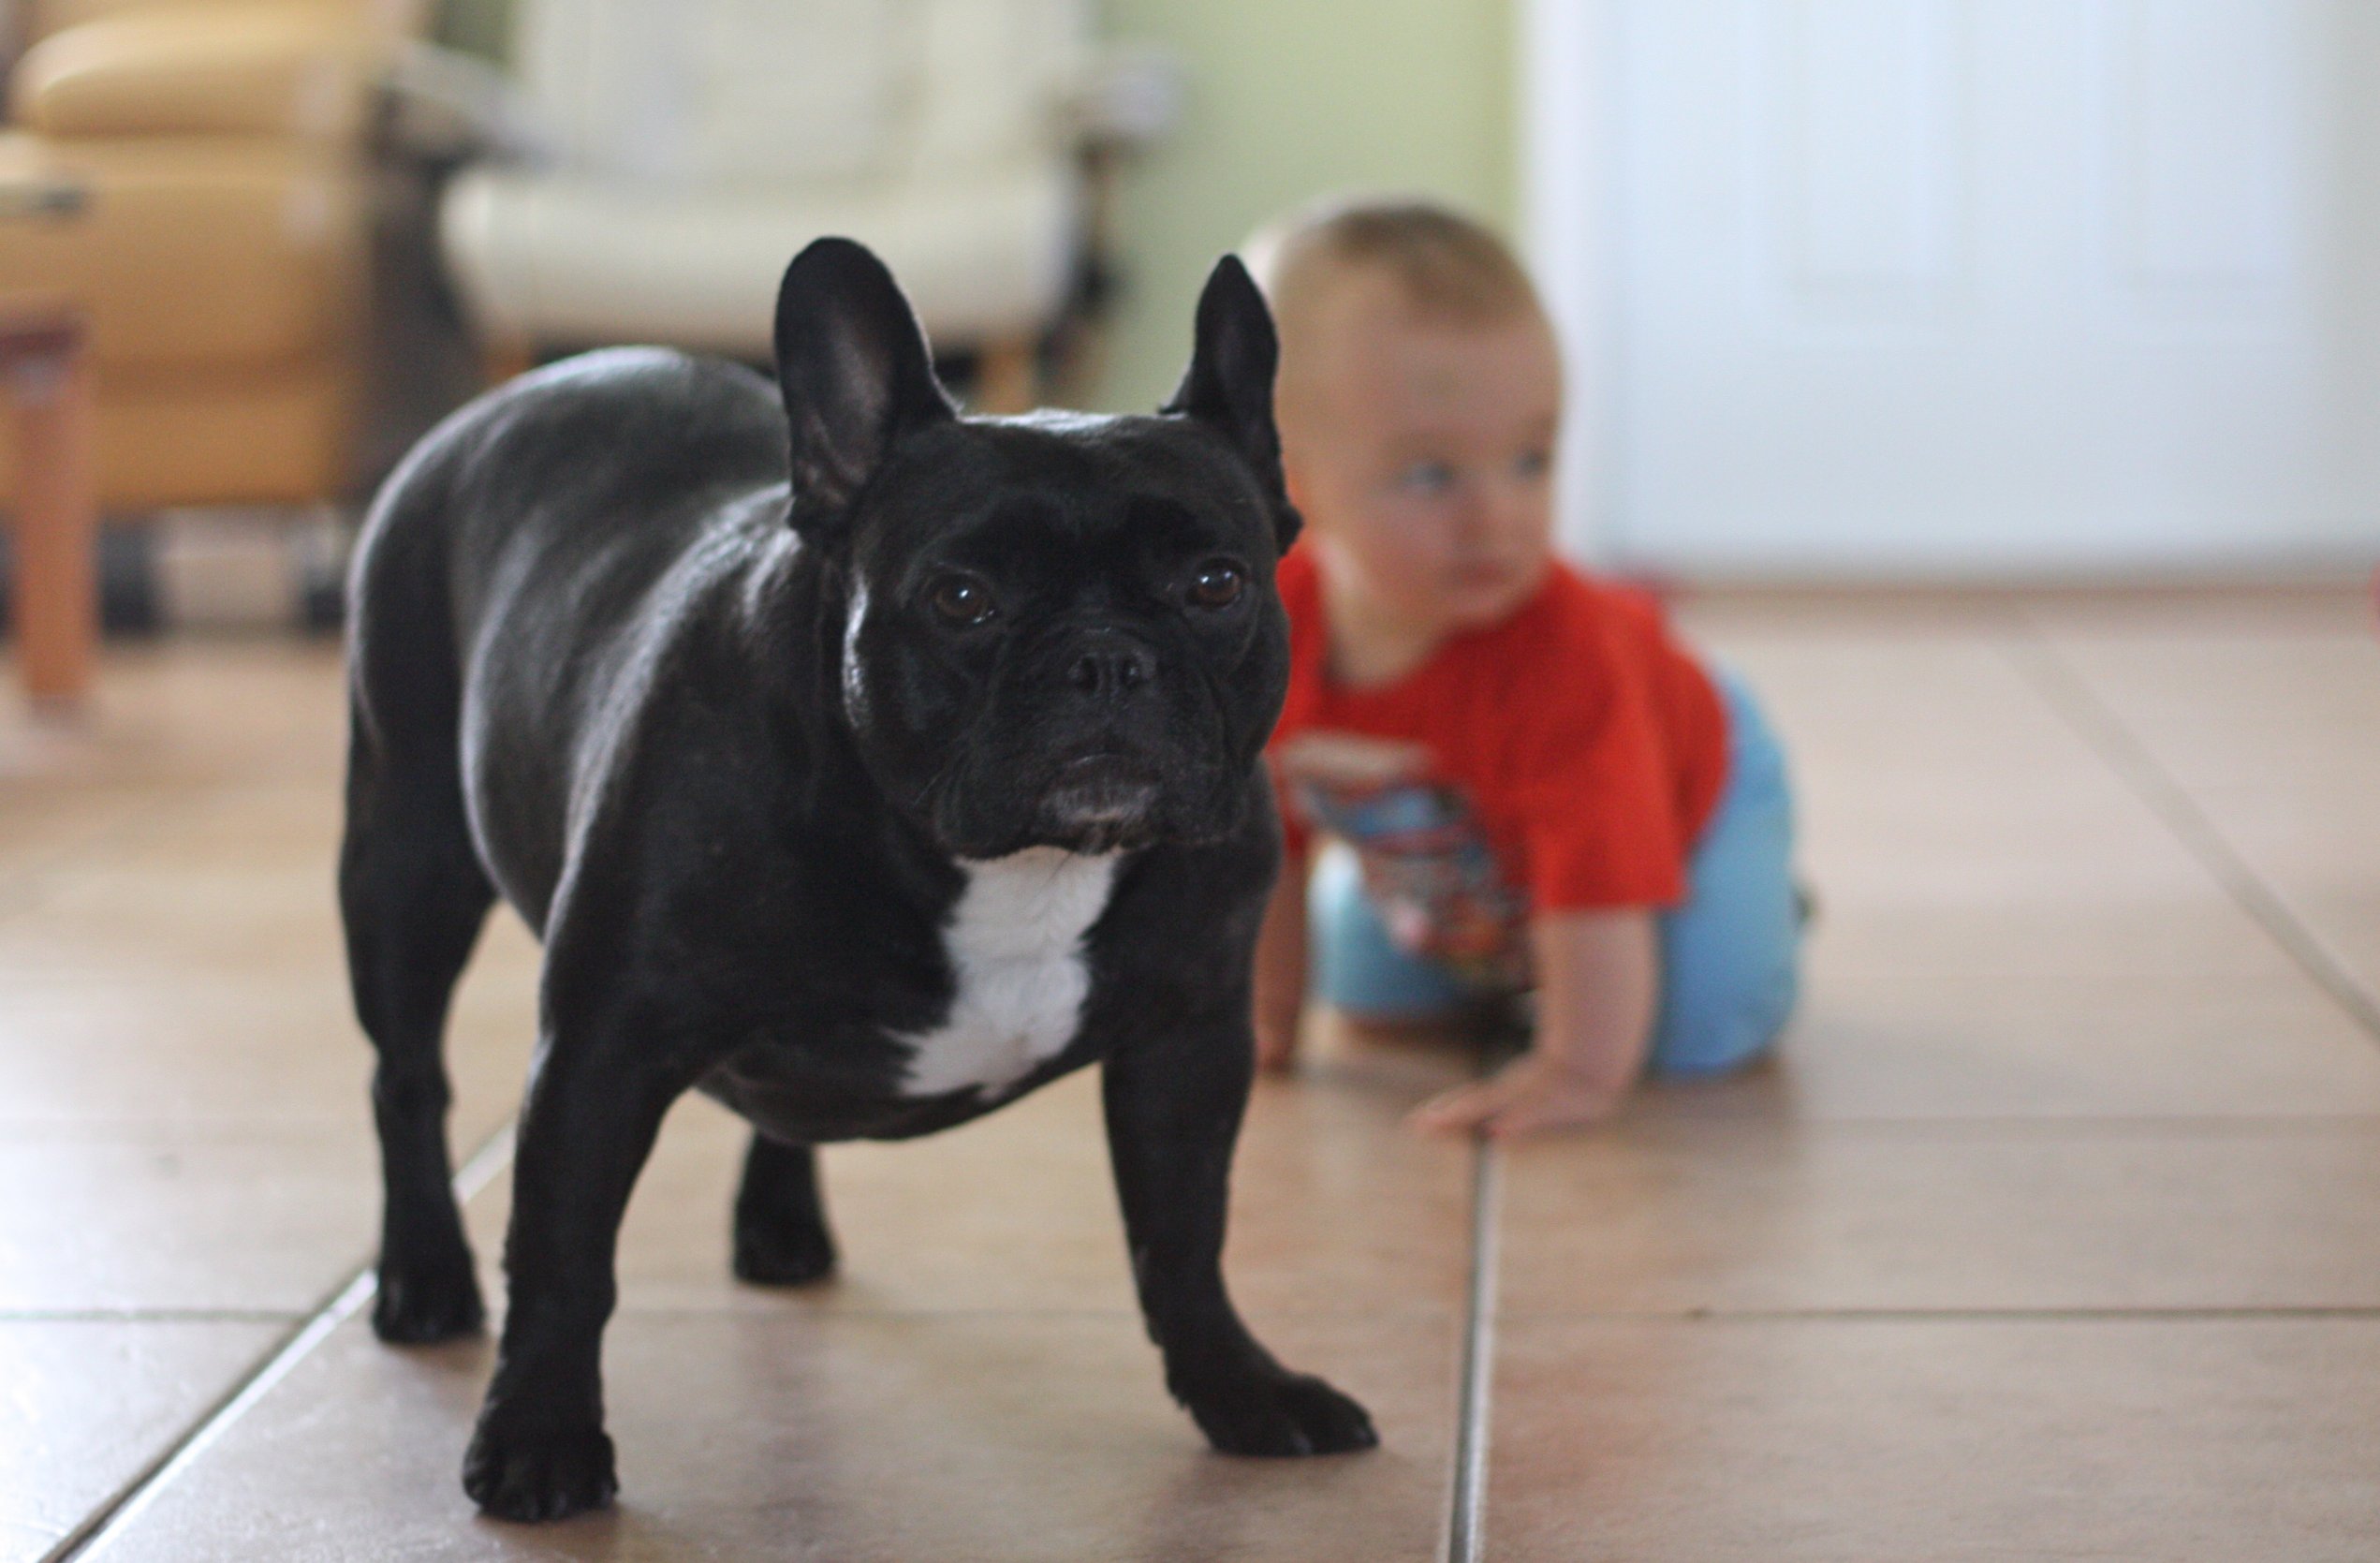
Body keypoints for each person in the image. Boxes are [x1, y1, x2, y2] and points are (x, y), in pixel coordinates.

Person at [1244, 197, 1803, 1140]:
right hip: (1468, 840)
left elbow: (1596, 883)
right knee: (1375, 1004)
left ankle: (1751, 899)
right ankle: (1481, 925)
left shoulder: (1568, 663)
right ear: (1286, 483)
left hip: (1684, 778)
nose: (1496, 516)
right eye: (1431, 474)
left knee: (1691, 1031)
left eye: (1530, 460)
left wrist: (1573, 1073)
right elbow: (1256, 847)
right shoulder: (1252, 635)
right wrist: (1261, 1021)